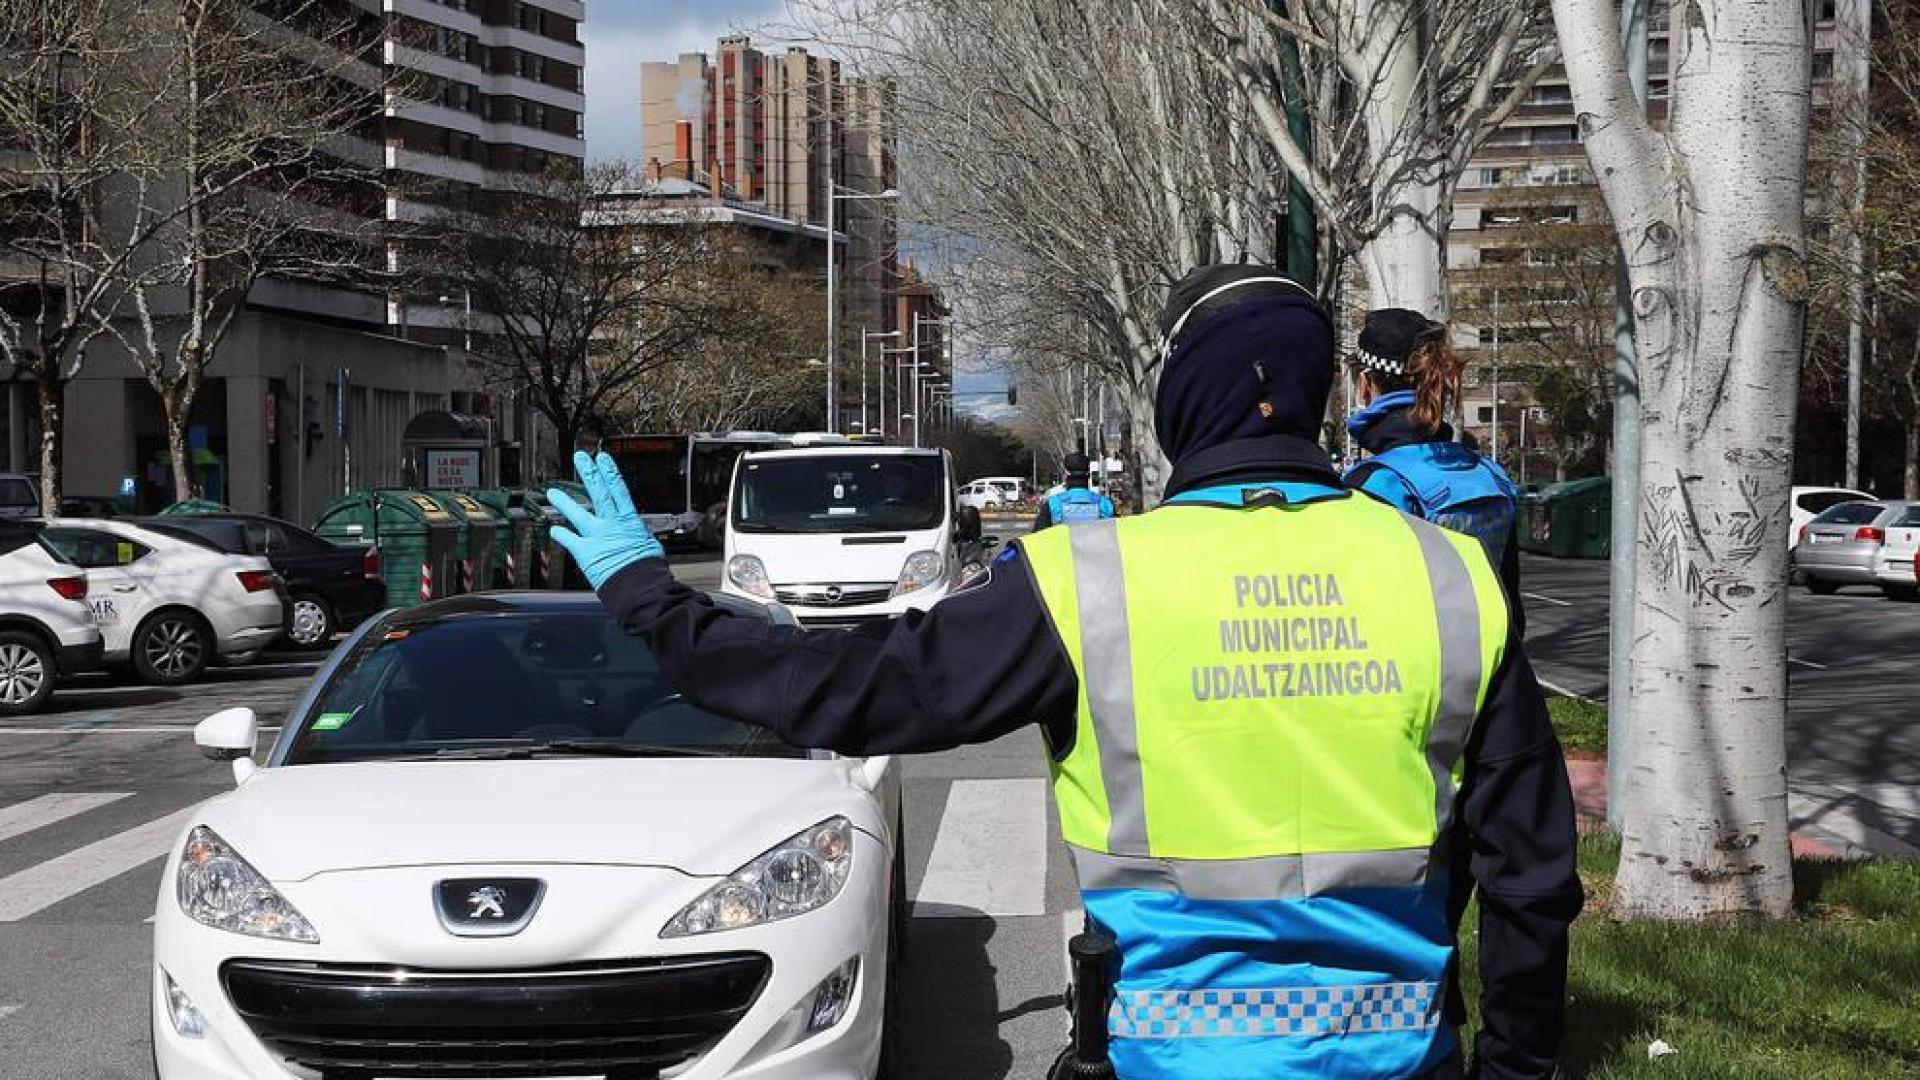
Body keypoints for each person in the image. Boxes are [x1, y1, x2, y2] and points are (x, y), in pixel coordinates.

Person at [549, 265, 1582, 1080]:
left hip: (1168, 1057)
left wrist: (651, 596)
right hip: (1401, 1053)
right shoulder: (1446, 573)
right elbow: (1531, 874)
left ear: (1185, 396)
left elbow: (847, 688)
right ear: (1313, 395)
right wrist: (1517, 1061)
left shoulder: (1086, 579)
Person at [1345, 309, 1524, 618]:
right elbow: (1511, 609)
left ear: (1364, 385)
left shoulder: (1371, 484)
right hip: (1489, 660)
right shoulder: (1491, 476)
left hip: (1413, 663)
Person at [1033, 451, 1116, 529]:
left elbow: (1037, 538)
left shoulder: (1053, 504)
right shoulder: (1105, 504)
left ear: (1066, 476)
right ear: (1089, 475)